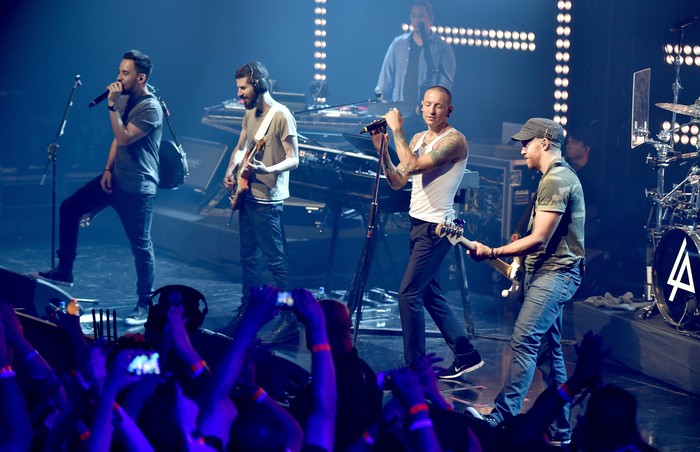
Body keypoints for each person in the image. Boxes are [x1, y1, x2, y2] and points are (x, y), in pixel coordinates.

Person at [468, 118, 585, 444]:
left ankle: (500, 417)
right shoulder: (552, 178)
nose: (521, 149)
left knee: (523, 340)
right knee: (550, 354)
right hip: (546, 273)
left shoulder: (557, 180)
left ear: (544, 142)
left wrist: (494, 250)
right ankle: (562, 432)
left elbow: (541, 239)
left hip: (555, 274)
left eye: (526, 142)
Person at [35, 50, 162, 326]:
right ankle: (64, 270)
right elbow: (116, 142)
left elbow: (124, 137)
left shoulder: (150, 107)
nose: (118, 77)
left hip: (138, 188)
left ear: (140, 77)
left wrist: (112, 105)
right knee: (70, 208)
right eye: (119, 71)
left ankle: (145, 302)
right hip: (115, 180)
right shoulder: (129, 99)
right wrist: (107, 170)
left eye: (125, 73)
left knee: (141, 246)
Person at [371, 85, 483, 377]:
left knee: (408, 294)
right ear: (421, 107)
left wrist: (396, 131)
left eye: (439, 106)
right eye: (428, 105)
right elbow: (397, 180)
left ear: (449, 110)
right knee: (430, 295)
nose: (432, 110)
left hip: (437, 229)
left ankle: (416, 368)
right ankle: (466, 354)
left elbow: (413, 165)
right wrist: (382, 152)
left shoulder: (454, 141)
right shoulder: (419, 138)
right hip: (417, 225)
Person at [219, 61, 300, 343]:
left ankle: (289, 320)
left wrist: (268, 169)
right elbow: (241, 147)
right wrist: (230, 171)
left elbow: (294, 158)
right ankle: (248, 310)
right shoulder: (249, 113)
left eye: (243, 88)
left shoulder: (281, 115)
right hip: (247, 193)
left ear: (259, 85)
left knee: (276, 261)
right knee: (248, 259)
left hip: (268, 199)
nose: (240, 94)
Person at [375, 1, 456, 109]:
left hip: (427, 113)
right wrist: (381, 103)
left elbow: (445, 84)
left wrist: (431, 106)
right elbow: (385, 78)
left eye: (421, 16)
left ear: (430, 18)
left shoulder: (442, 48)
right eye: (414, 16)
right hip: (399, 110)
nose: (417, 20)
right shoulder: (398, 44)